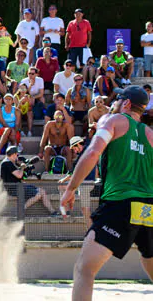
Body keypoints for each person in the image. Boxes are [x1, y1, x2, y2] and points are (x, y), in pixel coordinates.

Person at [61, 85, 153, 300]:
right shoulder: (150, 135)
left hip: (120, 204)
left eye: (118, 99)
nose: (114, 103)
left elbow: (93, 152)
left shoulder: (112, 121)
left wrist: (71, 188)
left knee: (85, 269)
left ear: (127, 103)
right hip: (148, 207)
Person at [0, 146, 58, 213]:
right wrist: (22, 167)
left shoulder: (8, 162)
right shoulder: (7, 163)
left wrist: (24, 168)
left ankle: (52, 211)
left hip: (19, 186)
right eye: (17, 154)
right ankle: (22, 209)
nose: (17, 156)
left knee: (42, 191)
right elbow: (19, 175)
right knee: (39, 194)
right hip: (14, 189)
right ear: (13, 154)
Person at [57, 136, 95, 228]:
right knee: (62, 187)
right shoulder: (84, 152)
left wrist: (64, 179)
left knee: (85, 209)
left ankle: (91, 231)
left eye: (74, 148)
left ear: (78, 144)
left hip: (86, 183)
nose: (74, 151)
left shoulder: (85, 152)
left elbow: (75, 172)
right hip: (81, 182)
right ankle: (66, 211)